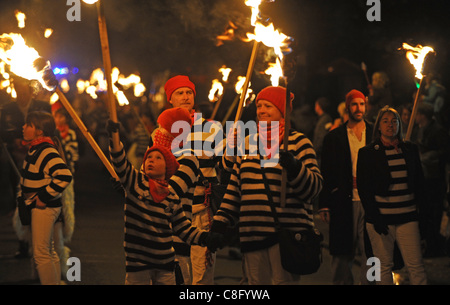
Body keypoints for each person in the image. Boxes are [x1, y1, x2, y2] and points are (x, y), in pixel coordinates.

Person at [211, 86, 323, 285]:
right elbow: (235, 189)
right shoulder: (248, 143)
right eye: (259, 106)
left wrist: (296, 168)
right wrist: (220, 222)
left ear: (282, 111)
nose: (261, 110)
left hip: (285, 237)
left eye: (268, 106)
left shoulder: (298, 142)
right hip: (251, 235)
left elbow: (313, 189)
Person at [107, 108, 221, 285]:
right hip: (140, 256)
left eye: (163, 127)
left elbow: (164, 194)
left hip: (173, 246)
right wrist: (126, 184)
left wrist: (132, 186)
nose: (158, 131)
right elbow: (127, 170)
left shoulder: (189, 159)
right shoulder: (153, 158)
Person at [151, 75, 225, 285]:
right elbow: (153, 170)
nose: (185, 96)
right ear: (170, 100)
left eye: (189, 92)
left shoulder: (212, 128)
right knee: (177, 271)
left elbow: (226, 166)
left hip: (203, 209)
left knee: (202, 276)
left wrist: (231, 148)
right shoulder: (161, 131)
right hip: (174, 211)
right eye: (179, 93)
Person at [357, 106, 428, 285]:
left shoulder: (409, 149)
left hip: (408, 217)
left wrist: (423, 214)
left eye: (394, 121)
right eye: (386, 121)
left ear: (399, 124)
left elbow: (419, 183)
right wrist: (374, 216)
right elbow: (364, 188)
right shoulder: (368, 152)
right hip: (381, 220)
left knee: (416, 265)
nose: (390, 125)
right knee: (383, 266)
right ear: (378, 126)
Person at [318, 89, 373, 285]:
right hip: (342, 200)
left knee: (371, 250)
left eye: (361, 104)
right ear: (348, 107)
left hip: (370, 201)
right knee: (341, 251)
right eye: (354, 104)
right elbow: (326, 172)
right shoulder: (334, 137)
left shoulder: (375, 134)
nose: (358, 108)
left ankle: (370, 283)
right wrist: (324, 203)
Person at [18, 111, 73, 285]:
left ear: (39, 131)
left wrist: (43, 196)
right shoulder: (37, 148)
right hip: (41, 207)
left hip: (44, 208)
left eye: (29, 125)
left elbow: (64, 175)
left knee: (41, 253)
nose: (23, 127)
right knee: (48, 250)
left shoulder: (45, 150)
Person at [0, 74, 51, 259]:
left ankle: (41, 241)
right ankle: (23, 242)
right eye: (17, 90)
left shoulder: (43, 107)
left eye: (24, 90)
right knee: (21, 201)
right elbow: (2, 133)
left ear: (31, 90)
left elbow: (49, 131)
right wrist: (15, 140)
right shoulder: (7, 109)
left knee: (41, 202)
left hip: (39, 160)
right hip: (16, 160)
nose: (20, 94)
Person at [411, 102, 450, 257]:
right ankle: (425, 242)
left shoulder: (438, 131)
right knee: (424, 212)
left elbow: (444, 152)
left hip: (434, 179)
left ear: (422, 115)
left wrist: (428, 157)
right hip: (423, 178)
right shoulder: (418, 130)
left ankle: (433, 246)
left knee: (434, 213)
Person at [51, 101, 79, 278]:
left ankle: (62, 271)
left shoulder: (70, 134)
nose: (58, 119)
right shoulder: (52, 134)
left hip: (66, 176)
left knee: (62, 220)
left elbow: (73, 156)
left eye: (61, 116)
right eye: (56, 116)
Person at [312, 97, 333, 165]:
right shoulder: (321, 119)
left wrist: (314, 151)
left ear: (319, 106)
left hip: (320, 157)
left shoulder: (325, 119)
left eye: (316, 105)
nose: (315, 107)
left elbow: (322, 138)